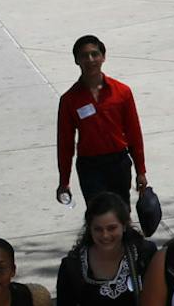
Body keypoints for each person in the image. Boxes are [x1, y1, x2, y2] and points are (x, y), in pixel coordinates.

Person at [55, 34, 149, 209]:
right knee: (97, 214)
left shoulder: (122, 92)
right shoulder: (69, 100)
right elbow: (65, 143)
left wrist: (141, 171)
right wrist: (64, 181)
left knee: (121, 212)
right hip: (90, 167)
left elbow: (134, 133)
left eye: (94, 54)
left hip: (118, 163)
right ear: (76, 60)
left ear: (103, 57)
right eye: (84, 56)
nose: (90, 60)